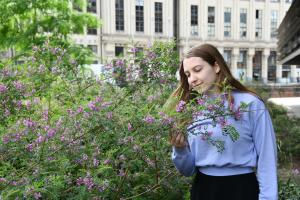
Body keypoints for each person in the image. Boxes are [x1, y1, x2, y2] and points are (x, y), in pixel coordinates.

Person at [168, 44, 277, 200]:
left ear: (216, 66)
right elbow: (188, 171)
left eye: (197, 70)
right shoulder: (190, 110)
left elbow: (267, 157)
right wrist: (180, 150)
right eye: (187, 74)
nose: (192, 79)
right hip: (203, 190)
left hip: (243, 189)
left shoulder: (250, 104)